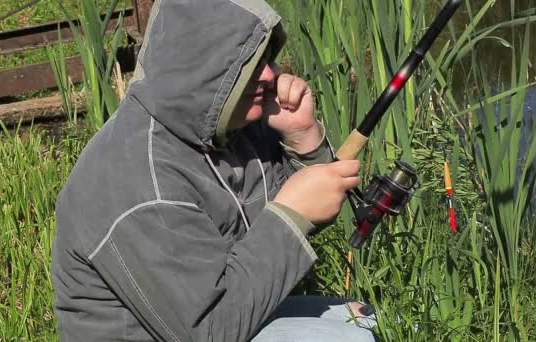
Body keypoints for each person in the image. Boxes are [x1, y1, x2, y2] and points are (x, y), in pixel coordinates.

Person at [51, 0, 376, 341]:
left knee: (363, 321)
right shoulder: (138, 183)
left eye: (266, 58)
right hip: (203, 330)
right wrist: (291, 216)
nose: (269, 75)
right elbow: (210, 331)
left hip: (225, 315)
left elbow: (307, 210)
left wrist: (302, 138)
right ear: (204, 68)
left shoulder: (226, 129)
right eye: (249, 62)